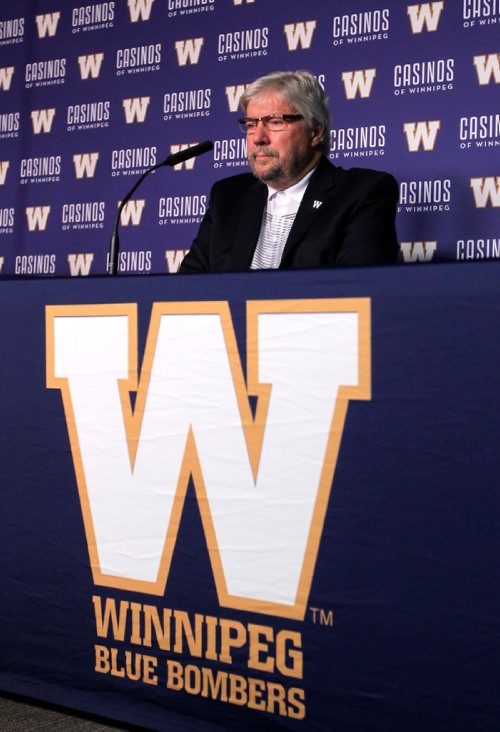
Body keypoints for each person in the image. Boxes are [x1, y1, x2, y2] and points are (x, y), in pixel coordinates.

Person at [179, 70, 399, 273]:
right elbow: (187, 288)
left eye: (274, 122)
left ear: (315, 132)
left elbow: (357, 291)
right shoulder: (228, 196)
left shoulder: (362, 193)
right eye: (251, 124)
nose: (258, 137)